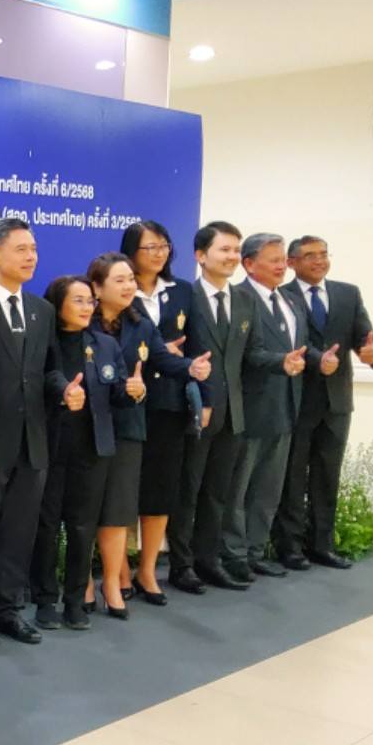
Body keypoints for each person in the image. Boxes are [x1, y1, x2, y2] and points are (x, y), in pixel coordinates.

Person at [0, 218, 80, 647]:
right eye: (21, 249)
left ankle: (7, 609)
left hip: (33, 440)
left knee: (18, 533)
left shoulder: (42, 311)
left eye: (34, 249)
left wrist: (64, 390)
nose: (31, 257)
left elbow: (48, 370)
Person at [89, 251, 207, 613]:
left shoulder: (140, 324)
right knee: (87, 507)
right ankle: (85, 582)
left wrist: (191, 367)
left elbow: (163, 359)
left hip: (129, 425)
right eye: (120, 280)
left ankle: (114, 581)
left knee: (119, 506)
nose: (129, 286)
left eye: (131, 280)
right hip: (87, 426)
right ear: (97, 287)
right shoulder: (82, 322)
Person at [168, 221, 268, 594]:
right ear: (200, 255)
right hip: (195, 412)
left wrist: (286, 362)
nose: (232, 257)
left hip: (232, 414)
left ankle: (208, 561)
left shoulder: (245, 299)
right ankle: (181, 566)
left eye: (236, 250)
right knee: (187, 491)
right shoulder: (184, 297)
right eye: (224, 249)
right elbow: (174, 353)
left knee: (217, 494)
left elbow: (253, 353)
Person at [30, 276, 133, 629]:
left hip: (92, 449)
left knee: (82, 528)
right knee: (46, 527)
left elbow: (117, 392)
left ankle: (75, 600)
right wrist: (63, 392)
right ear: (57, 304)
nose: (87, 307)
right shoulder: (44, 343)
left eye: (90, 301)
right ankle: (45, 600)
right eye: (78, 300)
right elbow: (42, 382)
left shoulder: (104, 344)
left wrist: (133, 390)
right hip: (50, 447)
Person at [276, 235, 373, 569]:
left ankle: (322, 545)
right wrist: (316, 359)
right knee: (293, 477)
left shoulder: (347, 293)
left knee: (327, 476)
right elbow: (288, 342)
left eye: (323, 254)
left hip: (337, 401)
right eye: (310, 255)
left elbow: (365, 335)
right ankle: (290, 548)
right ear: (292, 262)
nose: (320, 261)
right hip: (297, 400)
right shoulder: (282, 295)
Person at [119, 221, 208, 603]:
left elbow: (198, 347)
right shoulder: (119, 289)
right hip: (128, 403)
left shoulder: (182, 291)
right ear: (131, 252)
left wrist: (204, 394)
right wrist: (158, 352)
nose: (159, 254)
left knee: (161, 489)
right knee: (123, 490)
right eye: (149, 247)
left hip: (170, 403)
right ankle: (119, 571)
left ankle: (148, 569)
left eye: (164, 246)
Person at [222, 233, 309, 582]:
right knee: (238, 488)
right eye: (273, 260)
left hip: (285, 407)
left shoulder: (290, 300)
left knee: (268, 488)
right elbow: (244, 354)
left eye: (283, 259)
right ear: (249, 264)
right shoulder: (238, 299)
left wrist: (319, 359)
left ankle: (256, 550)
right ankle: (233, 553)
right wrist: (280, 362)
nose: (282, 266)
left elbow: (299, 347)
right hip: (250, 408)